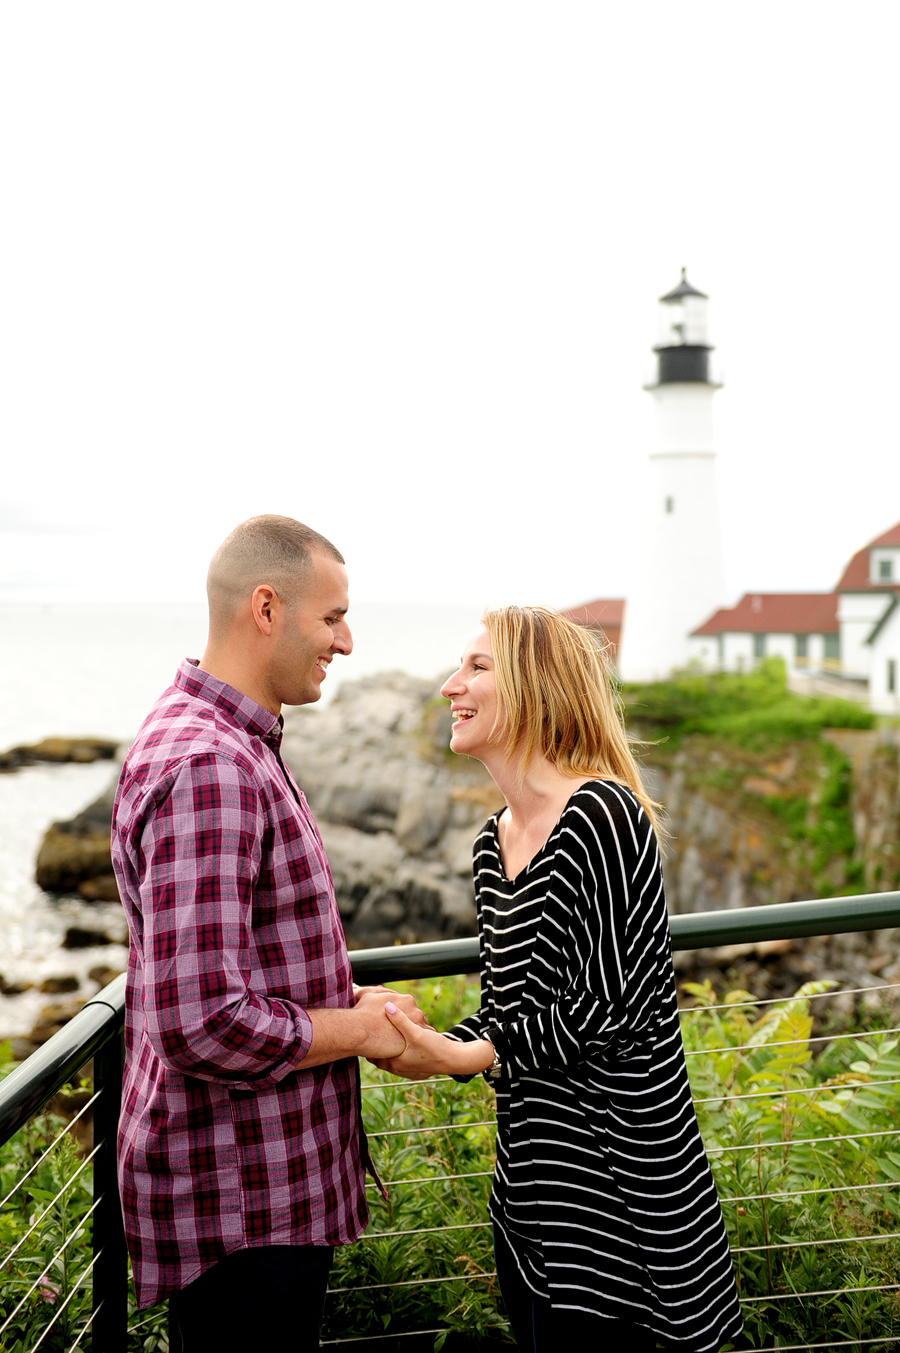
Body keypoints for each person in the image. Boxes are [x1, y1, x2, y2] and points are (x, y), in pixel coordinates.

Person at [372, 606, 743, 1352]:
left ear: (537, 686)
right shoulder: (493, 841)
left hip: (621, 1198)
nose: (452, 684)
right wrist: (432, 1041)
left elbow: (616, 1005)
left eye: (478, 666)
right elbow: (517, 1010)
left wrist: (467, 1054)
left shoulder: (600, 813)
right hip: (534, 1199)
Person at [110, 515, 427, 1353]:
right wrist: (360, 1030)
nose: (347, 641)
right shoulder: (212, 763)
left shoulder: (228, 739)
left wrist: (348, 999)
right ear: (265, 607)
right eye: (331, 618)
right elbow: (203, 1020)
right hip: (241, 1207)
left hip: (255, 1193)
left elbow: (238, 958)